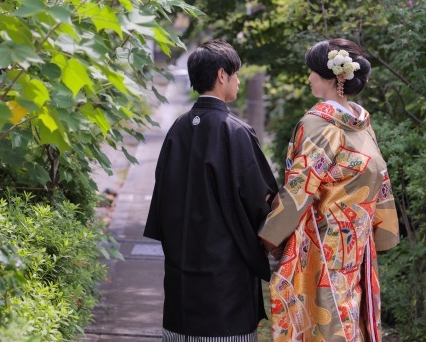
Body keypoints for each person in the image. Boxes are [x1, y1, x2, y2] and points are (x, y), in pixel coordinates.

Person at [258, 38, 400, 342]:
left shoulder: (319, 124)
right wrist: (381, 230)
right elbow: (380, 180)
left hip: (324, 242)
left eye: (312, 72)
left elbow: (300, 187)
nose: (309, 78)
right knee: (346, 316)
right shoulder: (361, 125)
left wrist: (270, 234)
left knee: (329, 320)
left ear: (334, 78)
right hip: (356, 243)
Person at [144, 39, 279, 342]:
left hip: (181, 269)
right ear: (222, 75)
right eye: (236, 74)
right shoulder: (236, 132)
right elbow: (262, 203)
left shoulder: (177, 129)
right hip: (225, 275)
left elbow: (162, 201)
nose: (239, 81)